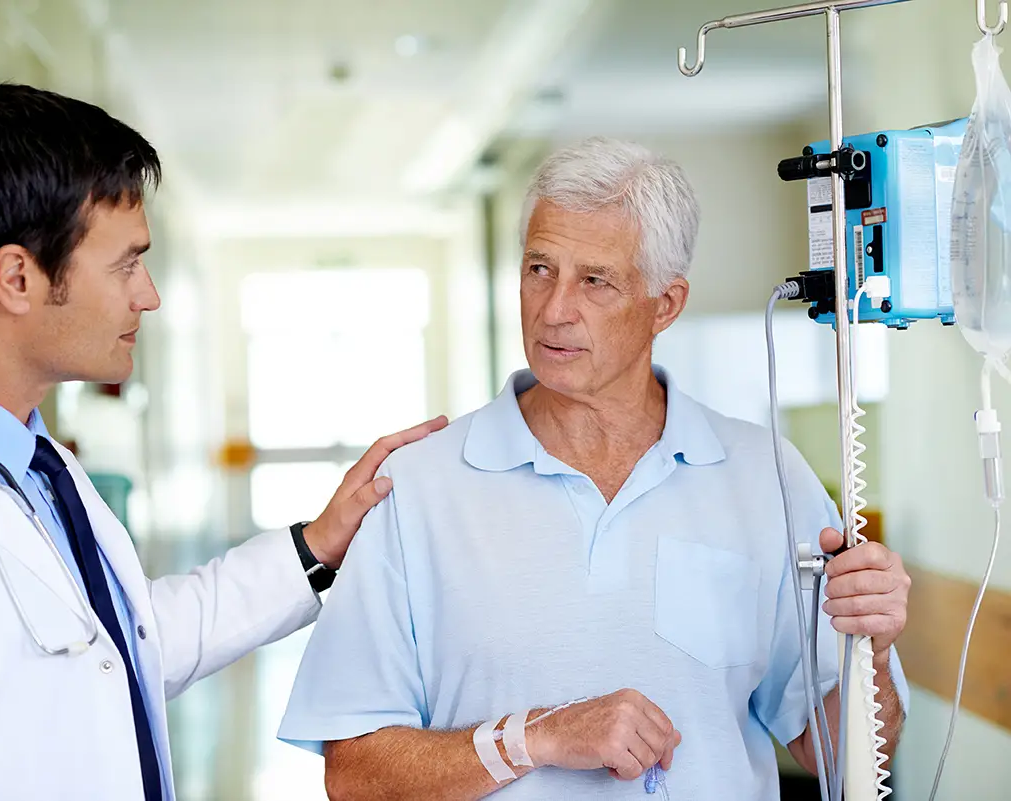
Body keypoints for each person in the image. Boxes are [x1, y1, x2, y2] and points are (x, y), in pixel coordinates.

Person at [0, 83, 446, 801]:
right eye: (125, 264)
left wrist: (317, 545)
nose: (148, 295)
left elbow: (119, 653)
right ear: (17, 277)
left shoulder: (34, 465)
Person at [277, 137, 911, 799]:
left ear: (665, 305)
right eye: (539, 269)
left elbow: (841, 756)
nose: (553, 310)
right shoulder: (417, 487)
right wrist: (532, 737)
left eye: (594, 280)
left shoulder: (767, 476)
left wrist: (875, 648)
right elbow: (354, 773)